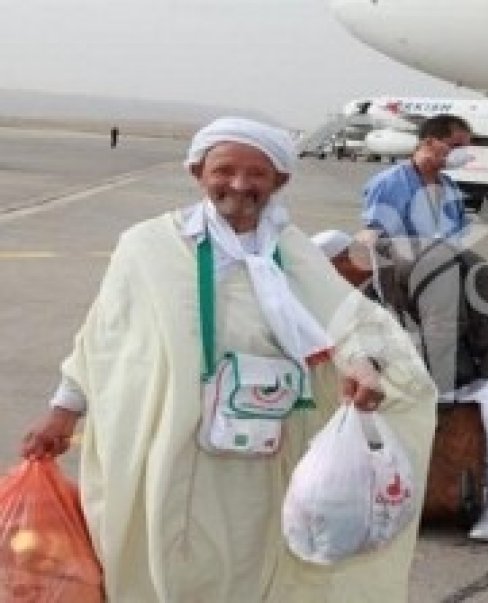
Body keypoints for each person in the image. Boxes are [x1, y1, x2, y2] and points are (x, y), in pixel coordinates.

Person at [19, 117, 438, 602]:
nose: (239, 185)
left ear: (279, 181)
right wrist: (61, 412)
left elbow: (351, 322)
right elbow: (102, 336)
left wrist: (364, 368)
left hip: (260, 453)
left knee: (249, 560)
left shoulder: (293, 253)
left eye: (256, 174)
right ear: (198, 172)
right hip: (164, 440)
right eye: (224, 170)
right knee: (155, 556)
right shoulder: (148, 246)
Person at [312, 231, 488, 542]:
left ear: (345, 260)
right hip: (468, 342)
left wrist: (436, 394)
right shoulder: (370, 276)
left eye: (329, 273)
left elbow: (444, 332)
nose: (331, 283)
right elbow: (374, 331)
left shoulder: (419, 261)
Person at [360, 113, 473, 239]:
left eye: (465, 148)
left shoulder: (449, 184)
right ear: (429, 142)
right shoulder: (392, 183)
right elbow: (376, 236)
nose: (462, 153)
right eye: (456, 146)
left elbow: (459, 230)